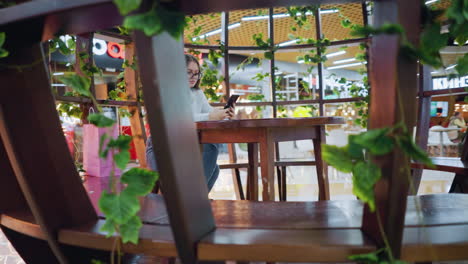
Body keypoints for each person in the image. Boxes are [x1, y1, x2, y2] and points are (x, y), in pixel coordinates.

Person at [145, 54, 234, 192]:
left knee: (214, 168)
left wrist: (224, 113)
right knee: (211, 146)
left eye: (197, 73)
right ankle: (193, 199)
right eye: (189, 72)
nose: (194, 77)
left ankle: (191, 200)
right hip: (162, 148)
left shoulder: (197, 92)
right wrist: (211, 115)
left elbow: (208, 111)